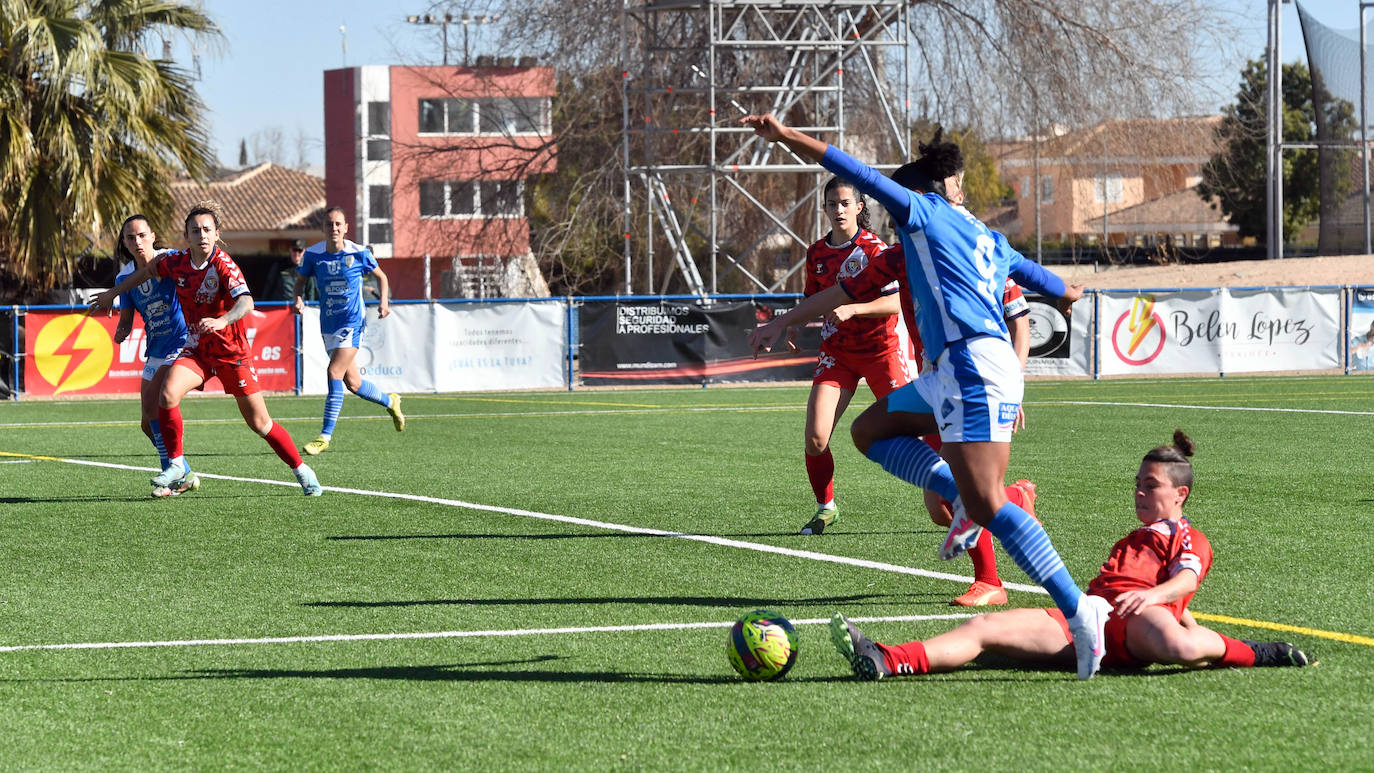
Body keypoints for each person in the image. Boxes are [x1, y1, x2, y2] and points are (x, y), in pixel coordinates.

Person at [741, 113, 1110, 679]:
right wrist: (1067, 293)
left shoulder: (926, 213)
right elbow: (1044, 278)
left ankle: (1079, 610)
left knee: (990, 503)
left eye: (895, 201)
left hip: (972, 366)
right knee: (868, 431)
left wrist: (787, 137)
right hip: (950, 372)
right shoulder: (984, 238)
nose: (888, 212)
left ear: (923, 193)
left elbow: (854, 170)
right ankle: (964, 501)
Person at [830, 430, 1313, 679]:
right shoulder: (1133, 536)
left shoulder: (1187, 534)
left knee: (1181, 645)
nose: (1140, 494)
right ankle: (889, 659)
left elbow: (1187, 581)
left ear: (1180, 495)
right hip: (1091, 618)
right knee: (983, 629)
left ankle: (1259, 653)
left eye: (1152, 486)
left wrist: (1154, 599)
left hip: (1143, 621)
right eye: (1137, 485)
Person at [89, 204, 322, 496]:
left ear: (217, 233)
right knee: (167, 393)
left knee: (260, 423)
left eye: (207, 230)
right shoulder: (177, 262)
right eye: (195, 230)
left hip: (231, 354)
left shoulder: (223, 264)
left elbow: (246, 302)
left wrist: (223, 319)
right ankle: (176, 465)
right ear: (186, 235)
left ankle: (301, 469)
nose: (202, 235)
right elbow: (146, 272)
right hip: (197, 349)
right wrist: (113, 293)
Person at [792, 177, 906, 535]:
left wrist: (855, 309)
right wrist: (795, 323)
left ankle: (968, 499)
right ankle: (826, 507)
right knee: (815, 438)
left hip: (880, 352)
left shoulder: (876, 250)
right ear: (824, 209)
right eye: (831, 204)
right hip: (837, 354)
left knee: (917, 436)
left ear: (859, 207)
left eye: (845, 203)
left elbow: (896, 301)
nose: (838, 210)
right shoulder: (816, 254)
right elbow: (813, 298)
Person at [293, 206, 405, 456]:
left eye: (338, 224)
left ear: (346, 228)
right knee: (353, 383)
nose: (333, 228)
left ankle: (324, 436)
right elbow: (300, 281)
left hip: (353, 322)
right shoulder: (313, 255)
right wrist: (298, 300)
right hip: (329, 324)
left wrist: (384, 303)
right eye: (329, 224)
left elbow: (382, 277)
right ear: (323, 228)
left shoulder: (358, 253)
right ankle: (391, 401)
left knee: (334, 371)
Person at [109, 214, 195, 498]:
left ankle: (171, 479)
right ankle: (182, 469)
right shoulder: (124, 277)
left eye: (142, 235)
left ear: (153, 236)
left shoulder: (169, 259)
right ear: (124, 242)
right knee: (147, 421)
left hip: (180, 342)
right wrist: (121, 331)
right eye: (130, 237)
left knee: (157, 405)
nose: (137, 241)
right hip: (155, 347)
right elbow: (127, 316)